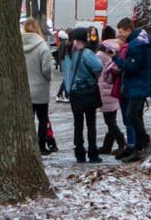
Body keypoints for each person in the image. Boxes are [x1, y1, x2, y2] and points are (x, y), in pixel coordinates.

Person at [112, 18, 151, 162]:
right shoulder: (141, 40)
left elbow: (132, 67)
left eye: (121, 31)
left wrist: (116, 58)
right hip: (141, 84)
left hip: (138, 85)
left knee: (131, 114)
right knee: (136, 115)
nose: (120, 35)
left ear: (128, 29)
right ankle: (138, 148)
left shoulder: (135, 45)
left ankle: (147, 143)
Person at [62, 27, 103, 163]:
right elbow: (98, 67)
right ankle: (93, 153)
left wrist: (68, 89)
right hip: (88, 91)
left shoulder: (67, 53)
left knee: (77, 124)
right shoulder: (86, 53)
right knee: (91, 124)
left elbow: (66, 72)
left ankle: (79, 153)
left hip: (74, 92)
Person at [22, 18, 56, 154]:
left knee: (27, 119)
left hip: (25, 88)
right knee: (42, 119)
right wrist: (48, 79)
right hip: (40, 88)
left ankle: (27, 145)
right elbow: (47, 69)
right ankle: (41, 145)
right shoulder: (42, 46)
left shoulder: (17, 45)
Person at [97, 39, 127, 157]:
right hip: (113, 92)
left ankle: (121, 143)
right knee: (111, 120)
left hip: (105, 93)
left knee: (109, 121)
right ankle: (107, 145)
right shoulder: (115, 57)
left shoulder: (99, 56)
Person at [54, 30, 71, 102]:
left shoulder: (62, 43)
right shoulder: (66, 43)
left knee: (65, 79)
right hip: (65, 63)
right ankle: (64, 95)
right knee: (66, 80)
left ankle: (61, 95)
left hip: (63, 63)